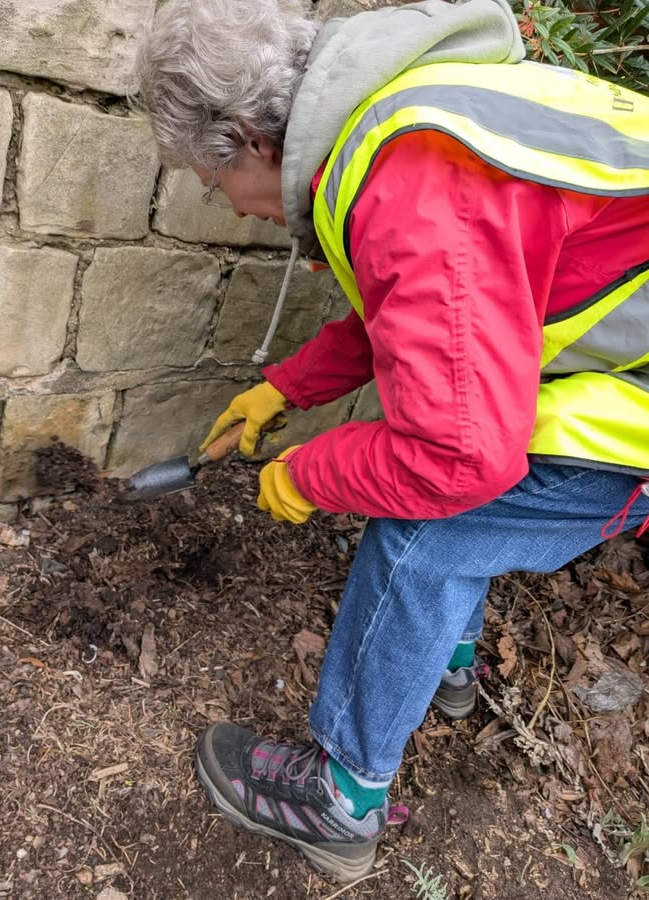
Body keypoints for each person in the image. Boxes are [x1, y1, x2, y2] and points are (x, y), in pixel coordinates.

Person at [136, 0, 649, 882]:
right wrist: (285, 388)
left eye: (211, 182)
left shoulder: (413, 182)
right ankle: (444, 668)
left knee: (423, 529)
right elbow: (438, 311)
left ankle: (342, 800)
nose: (231, 208)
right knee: (459, 498)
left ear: (252, 138)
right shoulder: (408, 115)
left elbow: (458, 458)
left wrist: (310, 472)